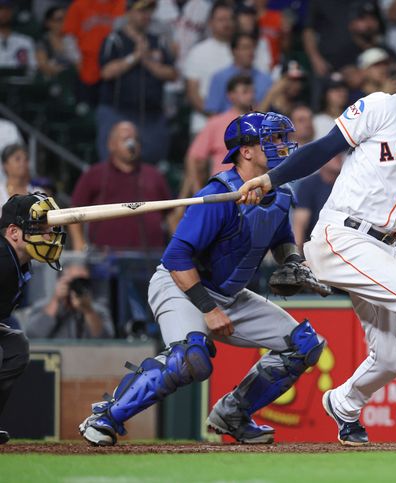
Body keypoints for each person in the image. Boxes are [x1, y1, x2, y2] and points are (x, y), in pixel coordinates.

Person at [237, 39, 396, 444]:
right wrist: (269, 178)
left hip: (384, 247)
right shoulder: (385, 107)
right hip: (342, 233)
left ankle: (344, 403)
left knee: (389, 357)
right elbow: (323, 149)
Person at [78, 111, 326, 446]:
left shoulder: (278, 193)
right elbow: (176, 258)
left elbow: (281, 238)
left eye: (282, 137)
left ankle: (234, 414)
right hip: (180, 286)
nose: (282, 145)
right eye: (273, 139)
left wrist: (292, 261)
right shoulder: (219, 195)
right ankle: (107, 416)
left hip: (230, 294)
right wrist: (208, 309)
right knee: (188, 360)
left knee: (304, 346)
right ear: (247, 151)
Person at [0, 193, 66, 444]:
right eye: (40, 228)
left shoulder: (17, 262)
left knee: (15, 347)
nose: (49, 235)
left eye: (49, 228)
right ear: (14, 232)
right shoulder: (2, 261)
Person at [68, 121, 173, 252]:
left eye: (135, 139)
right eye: (125, 139)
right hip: (105, 258)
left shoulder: (154, 175)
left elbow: (171, 215)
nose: (131, 143)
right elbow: (74, 211)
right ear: (111, 145)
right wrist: (80, 246)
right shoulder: (94, 174)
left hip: (150, 257)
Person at [95, 0, 178, 165]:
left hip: (152, 115)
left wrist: (147, 61)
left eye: (148, 11)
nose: (145, 15)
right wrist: (134, 57)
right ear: (128, 13)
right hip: (118, 112)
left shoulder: (158, 41)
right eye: (141, 11)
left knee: (151, 166)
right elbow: (106, 72)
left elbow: (172, 73)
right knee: (115, 162)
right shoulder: (115, 39)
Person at [20, 264, 113, 339]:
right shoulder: (44, 306)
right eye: (74, 281)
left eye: (83, 282)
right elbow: (33, 335)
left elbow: (105, 340)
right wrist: (56, 301)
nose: (78, 286)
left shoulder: (98, 310)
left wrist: (88, 310)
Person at [184, 1, 235, 135]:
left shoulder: (242, 50)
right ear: (210, 23)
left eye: (230, 19)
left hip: (238, 128)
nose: (226, 23)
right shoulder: (198, 52)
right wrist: (216, 117)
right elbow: (192, 93)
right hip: (204, 125)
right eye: (221, 20)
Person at [63, 0, 126, 106]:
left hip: (114, 66)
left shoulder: (121, 4)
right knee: (87, 109)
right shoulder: (79, 5)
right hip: (88, 66)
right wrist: (77, 60)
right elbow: (68, 38)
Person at [204, 32, 273, 116]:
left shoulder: (266, 80)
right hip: (227, 127)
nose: (250, 52)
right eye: (245, 48)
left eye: (252, 48)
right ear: (234, 51)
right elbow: (212, 112)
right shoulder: (220, 78)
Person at [292, 154, 343, 252]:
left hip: (344, 242)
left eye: (339, 154)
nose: (339, 157)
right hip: (317, 246)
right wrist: (297, 257)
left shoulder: (347, 183)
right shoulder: (308, 185)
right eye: (333, 154)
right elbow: (299, 225)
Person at [35, 5, 81, 78]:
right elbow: (42, 66)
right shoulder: (43, 42)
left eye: (66, 19)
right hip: (53, 81)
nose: (64, 22)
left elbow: (80, 64)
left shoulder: (73, 39)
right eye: (59, 19)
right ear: (48, 23)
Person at [0, 0, 37, 75]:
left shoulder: (25, 41)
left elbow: (33, 69)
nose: (4, 12)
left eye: (7, 9)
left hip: (20, 83)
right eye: (0, 9)